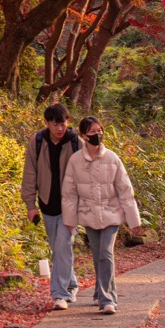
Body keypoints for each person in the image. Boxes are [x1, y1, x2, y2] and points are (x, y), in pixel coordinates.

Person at [60, 116, 141, 315]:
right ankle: (98, 292)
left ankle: (108, 299)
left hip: (111, 214)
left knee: (106, 253)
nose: (98, 135)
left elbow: (125, 189)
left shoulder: (112, 158)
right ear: (83, 136)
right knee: (97, 256)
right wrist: (70, 221)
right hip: (89, 216)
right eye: (93, 132)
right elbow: (69, 193)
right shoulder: (75, 161)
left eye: (100, 130)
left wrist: (133, 220)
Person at [20, 103, 81, 309]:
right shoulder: (38, 142)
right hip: (47, 203)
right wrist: (30, 204)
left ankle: (59, 295)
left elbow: (87, 175)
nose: (59, 129)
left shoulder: (76, 143)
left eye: (63, 124)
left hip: (71, 205)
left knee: (63, 245)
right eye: (55, 124)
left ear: (68, 122)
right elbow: (30, 174)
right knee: (58, 248)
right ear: (46, 123)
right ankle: (71, 283)